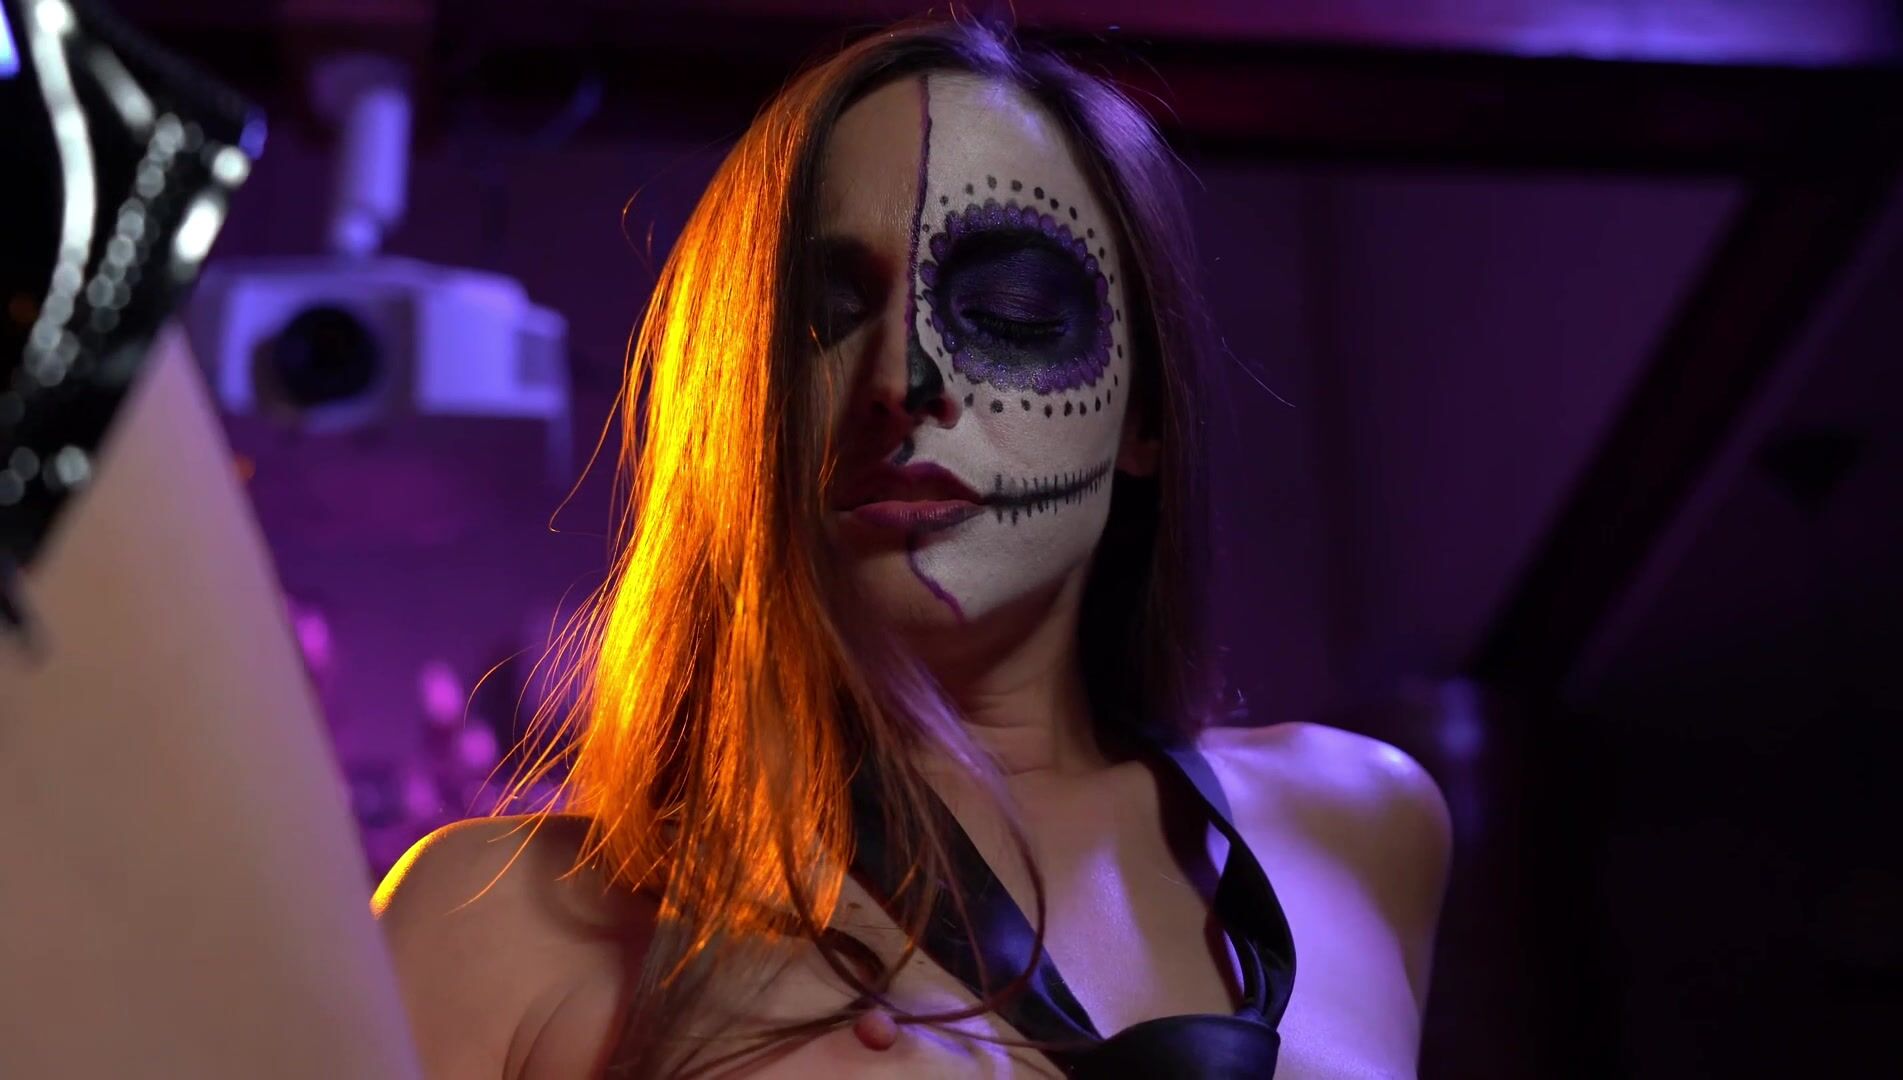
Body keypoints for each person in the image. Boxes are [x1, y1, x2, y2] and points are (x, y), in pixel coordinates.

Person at [2, 11, 1449, 1080]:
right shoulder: (502, 922)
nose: (907, 381)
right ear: (738, 404)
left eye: (1011, 310)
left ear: (1144, 417)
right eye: (824, 312)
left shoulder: (1363, 829)